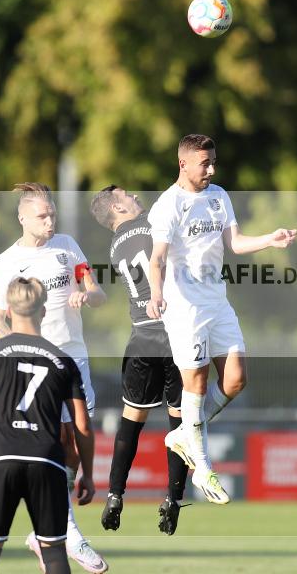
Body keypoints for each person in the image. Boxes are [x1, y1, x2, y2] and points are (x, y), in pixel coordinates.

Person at [145, 134, 297, 504]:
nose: (211, 169)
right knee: (196, 384)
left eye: (213, 162)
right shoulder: (168, 205)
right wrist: (156, 292)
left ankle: (184, 433)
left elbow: (235, 243)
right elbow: (158, 257)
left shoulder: (219, 197)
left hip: (217, 303)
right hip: (186, 309)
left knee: (236, 379)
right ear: (183, 164)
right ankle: (203, 469)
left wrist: (270, 239)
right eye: (205, 163)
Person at [0, 183, 107, 573]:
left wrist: (86, 296)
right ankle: (66, 532)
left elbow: (97, 292)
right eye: (42, 215)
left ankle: (49, 532)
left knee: (75, 441)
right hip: (39, 366)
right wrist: (20, 347)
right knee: (52, 440)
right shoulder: (5, 263)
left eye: (52, 213)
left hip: (75, 357)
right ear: (22, 217)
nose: (49, 221)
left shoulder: (68, 247)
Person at [0, 277, 96, 574]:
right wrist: (87, 472)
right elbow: (82, 425)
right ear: (43, 311)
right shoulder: (63, 361)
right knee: (54, 553)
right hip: (47, 461)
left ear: (8, 311)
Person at [89, 185, 189, 535]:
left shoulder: (115, 245)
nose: (134, 195)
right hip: (173, 332)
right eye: (126, 195)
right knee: (180, 423)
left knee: (131, 422)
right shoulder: (152, 223)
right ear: (117, 207)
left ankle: (115, 494)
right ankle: (173, 499)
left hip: (141, 337)